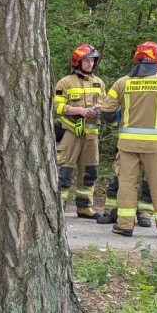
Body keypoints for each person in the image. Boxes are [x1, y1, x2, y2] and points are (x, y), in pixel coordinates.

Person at [99, 41, 157, 238]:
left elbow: (106, 111)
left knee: (127, 184)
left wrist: (120, 121)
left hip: (127, 145)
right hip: (155, 146)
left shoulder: (122, 82)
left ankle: (124, 225)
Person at [53, 44, 106, 218]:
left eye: (92, 60)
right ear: (78, 62)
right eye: (86, 60)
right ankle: (58, 208)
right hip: (70, 132)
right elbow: (57, 106)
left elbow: (106, 104)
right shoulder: (65, 82)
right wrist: (79, 111)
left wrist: (100, 109)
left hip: (91, 135)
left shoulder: (99, 82)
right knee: (64, 172)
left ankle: (85, 207)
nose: (90, 64)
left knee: (90, 171)